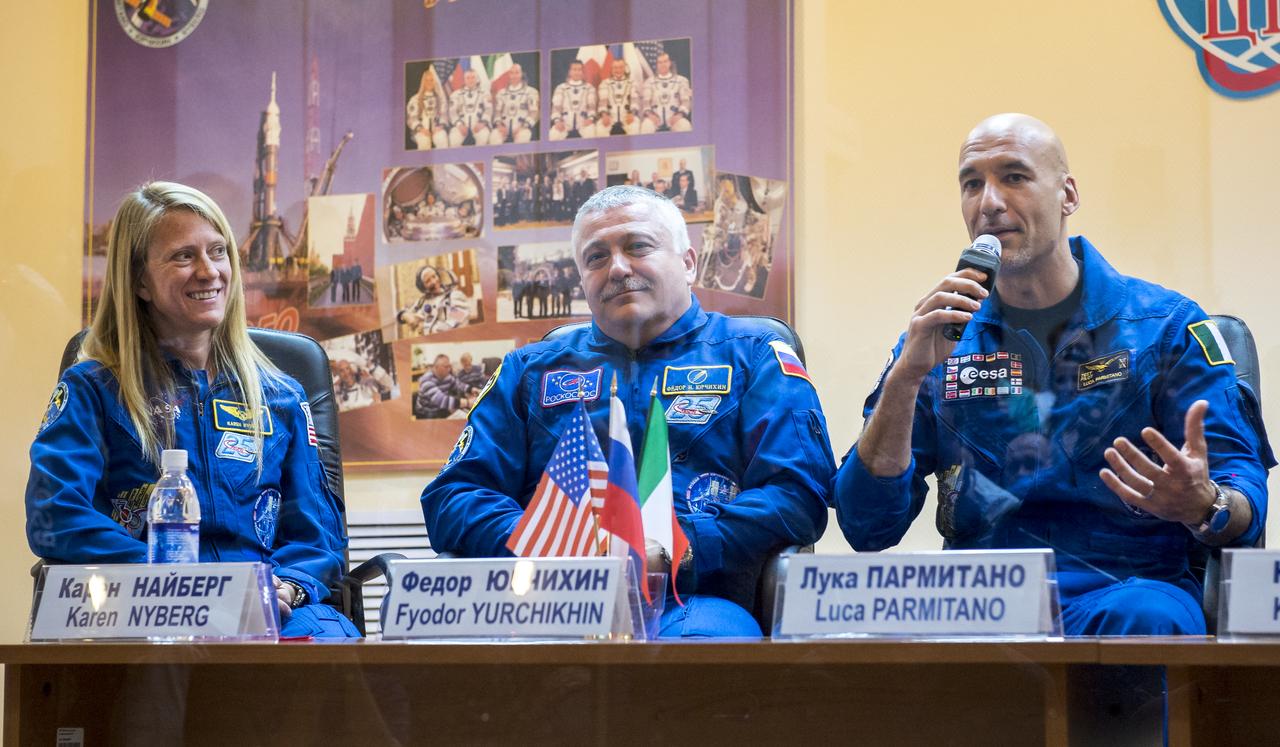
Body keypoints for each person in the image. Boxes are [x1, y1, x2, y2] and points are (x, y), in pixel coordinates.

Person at [832, 113, 1274, 636]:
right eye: (971, 184)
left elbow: (1243, 496)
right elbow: (866, 526)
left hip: (1127, 587)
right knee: (854, 628)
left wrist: (1205, 504)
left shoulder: (1165, 327)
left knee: (1144, 618)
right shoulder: (940, 340)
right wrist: (906, 379)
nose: (989, 202)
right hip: (980, 599)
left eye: (1014, 177)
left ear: (1068, 195)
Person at [421, 185, 833, 638]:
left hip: (693, 598)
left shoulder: (754, 357)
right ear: (582, 278)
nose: (617, 268)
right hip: (547, 602)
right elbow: (454, 496)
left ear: (688, 263)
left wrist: (679, 549)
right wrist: (547, 544)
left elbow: (797, 495)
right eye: (596, 257)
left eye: (638, 246)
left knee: (701, 650)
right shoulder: (529, 372)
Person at [25, 181, 358, 638]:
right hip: (141, 607)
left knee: (349, 667)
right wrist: (179, 583)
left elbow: (315, 535)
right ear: (139, 281)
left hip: (267, 610)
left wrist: (290, 588)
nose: (209, 271)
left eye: (218, 252)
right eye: (184, 256)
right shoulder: (94, 389)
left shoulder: (281, 395)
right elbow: (56, 514)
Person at [640, 52, 692, 134]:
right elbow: (645, 102)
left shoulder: (681, 80)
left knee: (685, 126)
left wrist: (680, 114)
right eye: (660, 62)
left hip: (674, 118)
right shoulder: (649, 82)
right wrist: (650, 114)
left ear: (669, 63)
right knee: (645, 127)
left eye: (665, 61)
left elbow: (686, 101)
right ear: (657, 65)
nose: (662, 65)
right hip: (655, 118)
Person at [415, 355, 479, 419]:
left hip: (441, 409)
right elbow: (441, 400)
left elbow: (458, 384)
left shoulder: (446, 376)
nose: (449, 369)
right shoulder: (427, 380)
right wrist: (467, 402)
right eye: (446, 367)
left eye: (449, 366)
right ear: (436, 367)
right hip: (427, 412)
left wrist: (471, 389)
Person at [489, 63, 539, 145]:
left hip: (522, 127)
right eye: (512, 73)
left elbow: (534, 113)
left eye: (517, 73)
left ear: (521, 74)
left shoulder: (531, 92)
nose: (514, 76)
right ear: (509, 75)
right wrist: (499, 126)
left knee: (522, 138)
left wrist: (523, 126)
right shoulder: (501, 93)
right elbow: (497, 112)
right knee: (494, 137)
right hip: (504, 127)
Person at [549, 60, 598, 140]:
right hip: (564, 122)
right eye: (574, 69)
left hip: (583, 122)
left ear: (583, 72)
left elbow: (591, 106)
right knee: (553, 135)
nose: (577, 72)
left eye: (579, 70)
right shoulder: (561, 88)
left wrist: (590, 119)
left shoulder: (589, 88)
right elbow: (556, 108)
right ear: (569, 72)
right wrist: (557, 121)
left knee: (591, 132)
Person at [406, 67, 449, 150]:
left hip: (437, 128)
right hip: (421, 129)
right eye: (427, 80)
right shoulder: (415, 99)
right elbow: (411, 118)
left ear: (435, 82)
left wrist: (440, 126)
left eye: (431, 80)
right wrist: (421, 129)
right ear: (423, 82)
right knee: (424, 141)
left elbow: (444, 114)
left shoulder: (440, 99)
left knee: (442, 138)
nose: (429, 82)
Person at [448, 68, 492, 147]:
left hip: (479, 125)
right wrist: (459, 125)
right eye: (468, 78)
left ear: (477, 79)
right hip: (461, 126)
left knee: (483, 137)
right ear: (464, 80)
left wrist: (482, 123)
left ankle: (479, 156)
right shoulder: (456, 94)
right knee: (454, 140)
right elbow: (452, 113)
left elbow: (489, 110)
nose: (470, 80)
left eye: (473, 77)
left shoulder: (485, 93)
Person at [597, 59, 640, 136]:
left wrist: (632, 113)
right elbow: (602, 102)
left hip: (627, 116)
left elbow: (635, 100)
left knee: (634, 127)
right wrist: (604, 115)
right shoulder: (605, 83)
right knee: (600, 129)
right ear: (611, 69)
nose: (618, 70)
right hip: (610, 117)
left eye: (621, 67)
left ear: (625, 68)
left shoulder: (632, 82)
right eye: (615, 68)